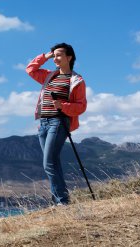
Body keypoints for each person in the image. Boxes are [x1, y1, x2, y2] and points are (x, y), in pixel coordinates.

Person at [26, 43, 87, 205]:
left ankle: (62, 202)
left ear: (69, 57)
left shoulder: (76, 80)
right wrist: (45, 56)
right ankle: (59, 201)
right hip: (43, 122)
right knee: (53, 162)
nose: (55, 58)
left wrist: (63, 106)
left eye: (59, 55)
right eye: (54, 55)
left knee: (49, 163)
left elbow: (81, 106)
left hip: (59, 122)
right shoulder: (49, 76)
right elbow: (30, 69)